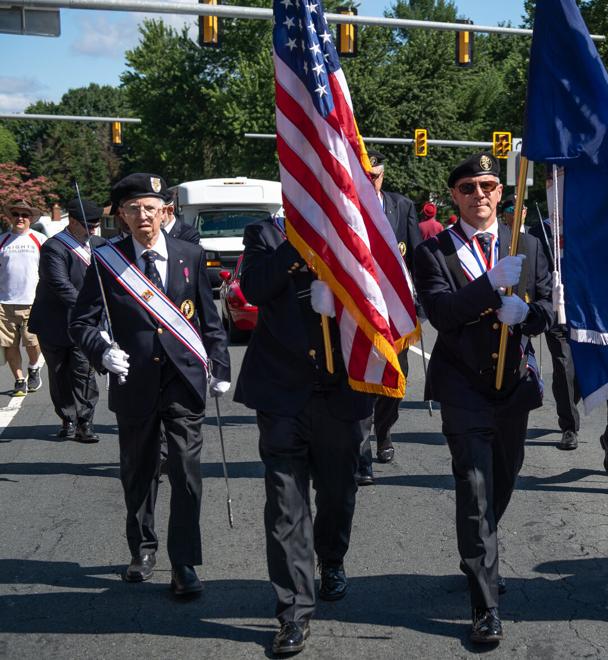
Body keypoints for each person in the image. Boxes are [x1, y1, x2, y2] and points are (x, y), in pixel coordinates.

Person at [69, 172, 230, 597]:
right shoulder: (106, 260)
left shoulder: (189, 254)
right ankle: (141, 548)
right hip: (134, 379)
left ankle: (184, 563)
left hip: (183, 382)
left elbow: (209, 321)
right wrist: (101, 352)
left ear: (166, 211)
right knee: (139, 473)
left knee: (186, 473)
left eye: (151, 207)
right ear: (121, 216)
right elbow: (81, 321)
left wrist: (220, 367)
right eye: (133, 209)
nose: (144, 215)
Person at [413, 153, 552, 644]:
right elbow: (443, 313)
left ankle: (479, 550)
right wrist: (489, 287)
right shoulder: (434, 252)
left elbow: (551, 310)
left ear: (501, 192)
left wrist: (527, 314)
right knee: (474, 488)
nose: (480, 195)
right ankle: (484, 602)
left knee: (503, 479)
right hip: (462, 385)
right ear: (454, 195)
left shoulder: (528, 245)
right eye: (469, 187)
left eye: (489, 185)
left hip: (513, 385)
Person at [234, 216, 373, 654]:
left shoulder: (357, 223)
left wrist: (344, 301)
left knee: (337, 492)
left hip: (342, 390)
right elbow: (253, 288)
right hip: (281, 391)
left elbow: (383, 295)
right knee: (285, 504)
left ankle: (331, 558)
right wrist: (298, 248)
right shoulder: (266, 232)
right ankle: (292, 611)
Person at [356, 149, 424, 483]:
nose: (370, 182)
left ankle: (384, 431)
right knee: (362, 380)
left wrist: (420, 304)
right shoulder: (348, 207)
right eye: (365, 176)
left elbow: (417, 257)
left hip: (395, 312)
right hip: (360, 310)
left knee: (397, 381)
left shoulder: (402, 206)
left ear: (383, 175)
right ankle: (361, 450)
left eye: (375, 176)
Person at [28, 197, 105, 442]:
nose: (91, 230)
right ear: (72, 221)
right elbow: (60, 284)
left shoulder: (100, 245)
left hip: (83, 324)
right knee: (60, 372)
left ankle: (85, 422)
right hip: (54, 321)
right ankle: (67, 418)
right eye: (87, 225)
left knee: (84, 371)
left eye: (95, 225)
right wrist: (88, 308)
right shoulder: (54, 247)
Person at [528, 175, 581, 451]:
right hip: (555, 309)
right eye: (552, 186)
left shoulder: (584, 226)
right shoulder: (539, 232)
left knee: (579, 370)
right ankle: (569, 426)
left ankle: (574, 400)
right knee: (562, 365)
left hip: (584, 310)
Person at [0, 199, 47, 397]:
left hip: (33, 301)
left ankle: (34, 367)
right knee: (9, 344)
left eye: (25, 215)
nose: (20, 218)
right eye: (16, 214)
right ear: (10, 217)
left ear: (30, 219)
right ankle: (19, 379)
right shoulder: (2, 240)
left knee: (32, 343)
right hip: (4, 303)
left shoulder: (40, 240)